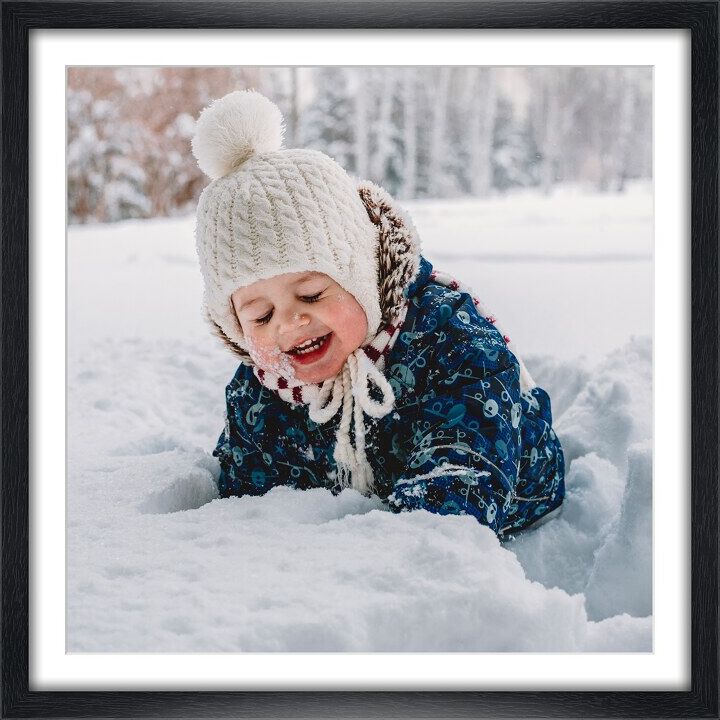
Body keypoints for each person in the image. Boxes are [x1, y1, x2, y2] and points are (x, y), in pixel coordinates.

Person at [192, 89, 565, 538]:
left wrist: (389, 551)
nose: (288, 323)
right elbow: (247, 495)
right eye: (260, 315)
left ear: (363, 278)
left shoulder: (452, 344)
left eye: (311, 294)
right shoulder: (262, 392)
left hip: (510, 496)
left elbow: (462, 479)